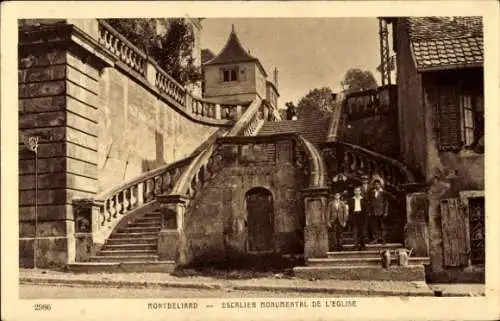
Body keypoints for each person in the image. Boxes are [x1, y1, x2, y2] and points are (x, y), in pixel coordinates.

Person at [367, 179, 389, 244]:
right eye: (375, 184)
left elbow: (386, 203)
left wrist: (386, 212)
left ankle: (383, 239)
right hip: (374, 212)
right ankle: (376, 239)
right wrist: (369, 211)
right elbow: (370, 202)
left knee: (382, 226)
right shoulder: (372, 192)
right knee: (374, 226)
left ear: (380, 185)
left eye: (378, 184)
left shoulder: (383, 192)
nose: (376, 186)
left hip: (381, 212)